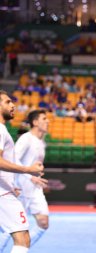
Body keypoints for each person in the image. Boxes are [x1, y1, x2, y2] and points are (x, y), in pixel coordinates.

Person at [0, 90, 44, 253]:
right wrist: (28, 169)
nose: (13, 105)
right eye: (8, 102)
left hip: (4, 190)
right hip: (2, 194)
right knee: (22, 238)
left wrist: (10, 184)